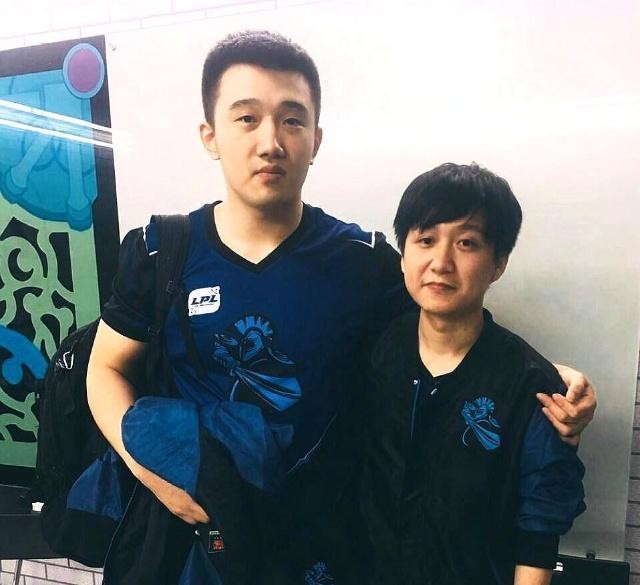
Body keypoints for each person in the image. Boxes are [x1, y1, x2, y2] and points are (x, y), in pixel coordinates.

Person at [86, 31, 595, 583]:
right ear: (210, 135)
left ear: (316, 138)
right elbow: (106, 369)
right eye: (246, 118)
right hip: (189, 544)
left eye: (292, 119)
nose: (270, 142)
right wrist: (154, 472)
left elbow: (446, 330)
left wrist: (546, 381)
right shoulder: (160, 253)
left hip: (323, 552)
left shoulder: (363, 262)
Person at [355, 163, 586, 585]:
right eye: (426, 240)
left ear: (498, 263)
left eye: (466, 243)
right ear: (403, 256)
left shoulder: (532, 385)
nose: (441, 262)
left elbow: (539, 529)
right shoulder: (376, 349)